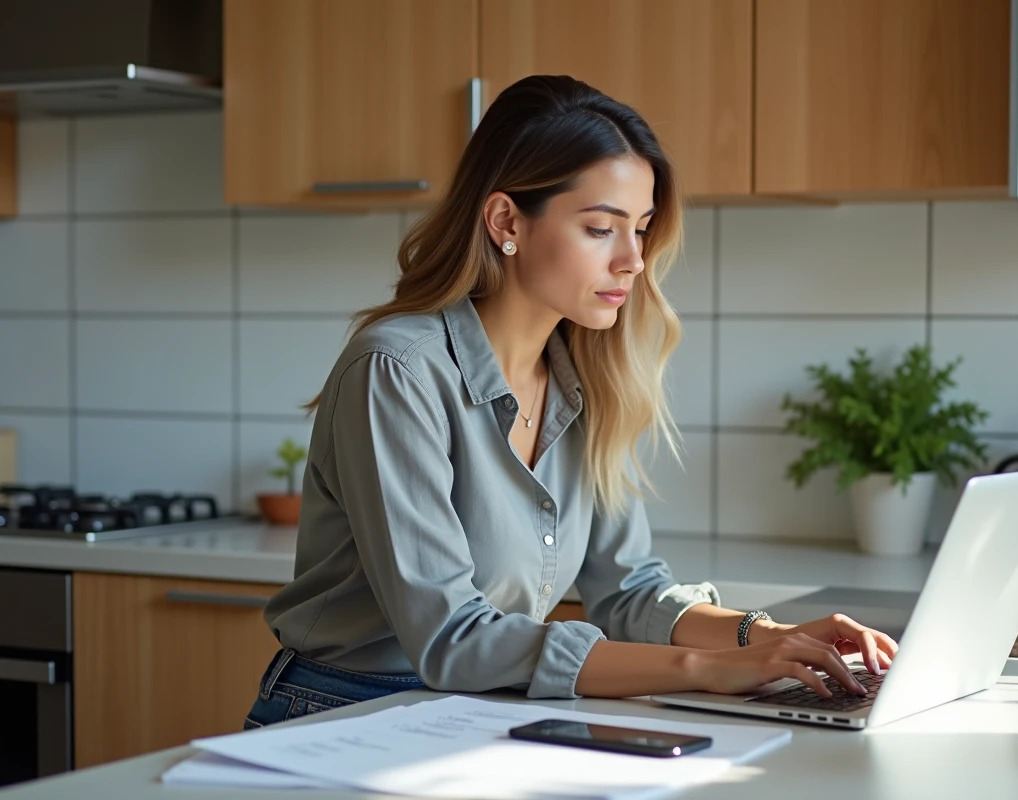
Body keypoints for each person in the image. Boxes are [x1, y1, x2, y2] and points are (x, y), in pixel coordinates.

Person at [244, 74, 898, 730]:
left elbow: (631, 590)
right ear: (507, 221)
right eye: (600, 229)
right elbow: (453, 638)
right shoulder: (398, 370)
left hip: (474, 711)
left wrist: (767, 636)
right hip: (345, 713)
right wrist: (707, 671)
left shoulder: (586, 377)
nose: (634, 261)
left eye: (640, 230)